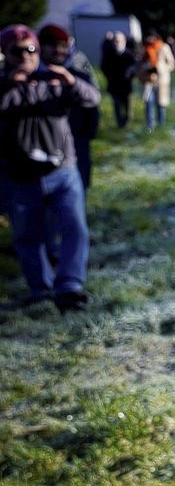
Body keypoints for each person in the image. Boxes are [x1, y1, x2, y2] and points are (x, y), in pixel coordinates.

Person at [1, 24, 100, 311]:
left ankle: (70, 286)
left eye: (30, 49)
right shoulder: (3, 85)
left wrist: (69, 81)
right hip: (20, 177)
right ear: (5, 54)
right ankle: (40, 290)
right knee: (29, 237)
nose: (25, 56)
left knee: (74, 228)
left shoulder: (56, 78)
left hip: (63, 170)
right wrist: (12, 84)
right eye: (16, 51)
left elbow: (92, 98)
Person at [38, 24, 100, 190]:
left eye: (63, 45)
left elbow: (93, 101)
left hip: (77, 142)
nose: (58, 50)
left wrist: (89, 132)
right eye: (52, 45)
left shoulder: (78, 75)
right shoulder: (30, 78)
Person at [140, 31, 175, 130]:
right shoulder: (145, 48)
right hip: (148, 79)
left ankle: (161, 125)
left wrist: (161, 68)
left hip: (161, 79)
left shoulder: (164, 47)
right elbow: (140, 63)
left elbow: (172, 64)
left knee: (160, 103)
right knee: (148, 102)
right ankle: (150, 125)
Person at [100, 31, 135, 128]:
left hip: (126, 86)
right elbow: (103, 67)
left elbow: (134, 68)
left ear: (124, 41)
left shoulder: (129, 55)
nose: (117, 43)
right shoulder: (109, 54)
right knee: (117, 106)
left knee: (127, 107)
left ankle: (126, 124)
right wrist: (110, 76)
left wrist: (129, 75)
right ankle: (120, 125)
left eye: (119, 41)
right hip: (114, 86)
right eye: (115, 41)